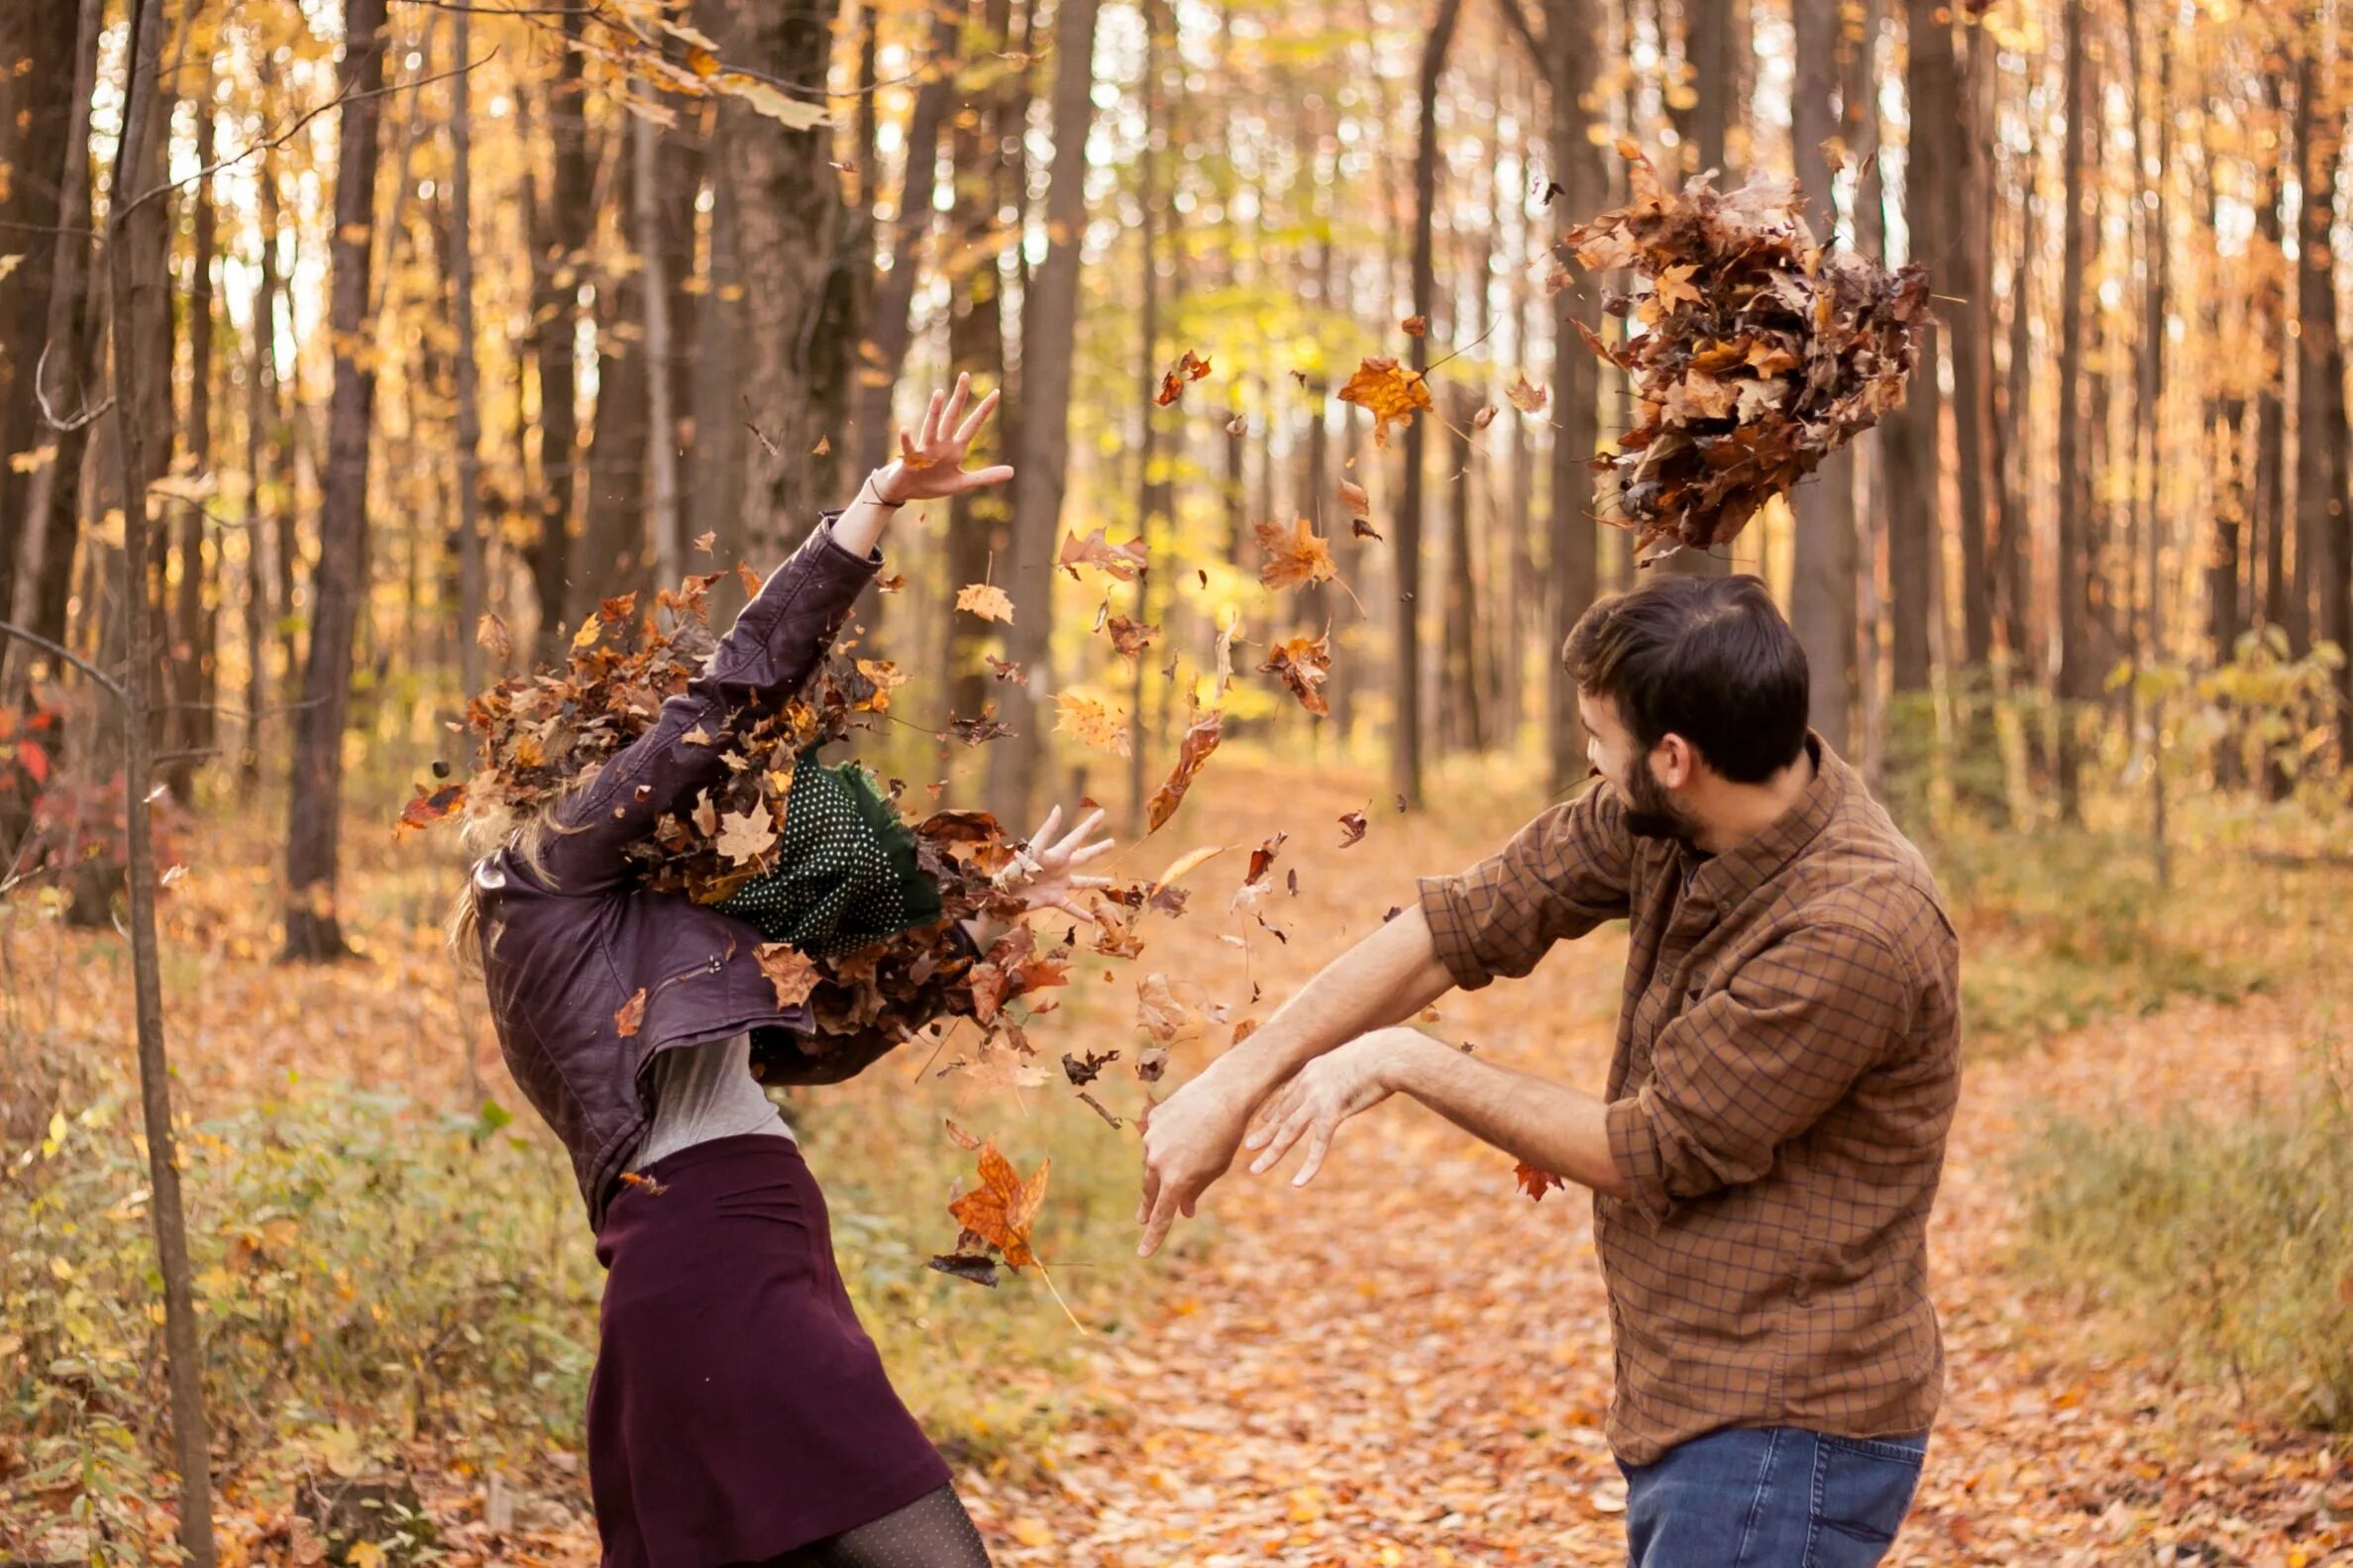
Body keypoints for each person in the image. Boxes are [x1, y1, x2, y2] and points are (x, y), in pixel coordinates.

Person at [1137, 574, 1961, 1568]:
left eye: (1593, 732)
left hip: (1784, 1428)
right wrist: (1237, 1079)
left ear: (1673, 756)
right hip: (1700, 1400)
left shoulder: (1854, 926)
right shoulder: (1667, 813)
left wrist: (1407, 1058)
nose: (1583, 754)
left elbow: (1653, 1146)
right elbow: (1461, 923)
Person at [455, 375, 1111, 1568]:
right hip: (713, 1258)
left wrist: (985, 916)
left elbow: (816, 1044)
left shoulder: (627, 921)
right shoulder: (552, 870)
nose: (675, 773)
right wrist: (872, 502)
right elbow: (727, 696)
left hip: (752, 1248)